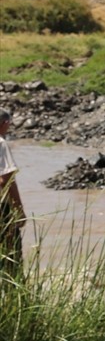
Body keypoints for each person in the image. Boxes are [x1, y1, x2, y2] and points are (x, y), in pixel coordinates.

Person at [0, 108, 26, 271]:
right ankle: (13, 294)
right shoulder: (1, 144)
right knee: (11, 259)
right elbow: (6, 180)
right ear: (5, 124)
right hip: (2, 210)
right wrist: (19, 211)